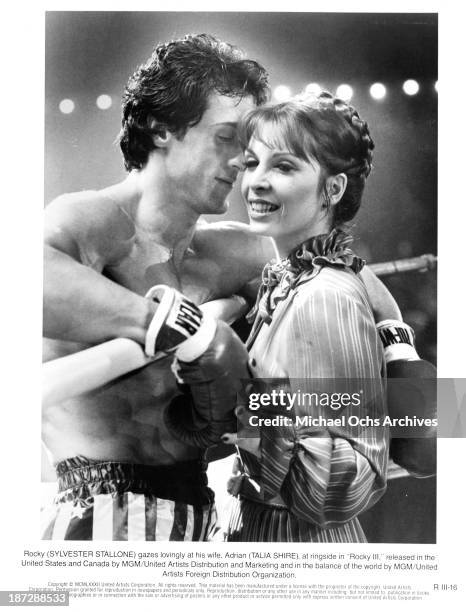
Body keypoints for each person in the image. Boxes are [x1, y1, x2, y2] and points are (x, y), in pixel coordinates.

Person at [42, 34, 403, 541]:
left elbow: (345, 273)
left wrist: (403, 359)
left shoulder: (236, 252)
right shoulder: (89, 220)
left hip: (204, 521)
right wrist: (181, 328)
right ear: (162, 127)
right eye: (227, 137)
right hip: (99, 518)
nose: (241, 162)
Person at [222, 91, 390, 542]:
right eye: (252, 162)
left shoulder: (324, 295)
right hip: (262, 534)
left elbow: (346, 484)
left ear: (332, 189)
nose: (255, 181)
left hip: (301, 546)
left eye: (283, 166)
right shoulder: (288, 284)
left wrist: (249, 399)